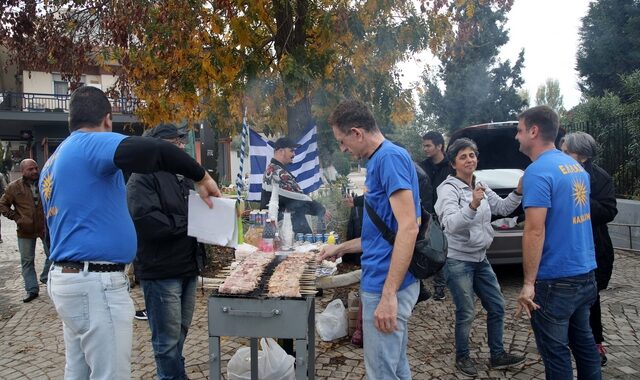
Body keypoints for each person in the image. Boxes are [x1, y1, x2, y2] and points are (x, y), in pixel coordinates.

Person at [39, 86, 221, 379]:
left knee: (78, 372)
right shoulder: (90, 144)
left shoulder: (53, 160)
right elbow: (157, 150)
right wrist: (201, 176)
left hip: (67, 279)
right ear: (108, 121)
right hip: (94, 283)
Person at [320, 100, 420, 379]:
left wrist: (388, 296)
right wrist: (339, 248)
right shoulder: (383, 158)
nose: (342, 148)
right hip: (387, 283)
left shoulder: (388, 158)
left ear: (357, 133)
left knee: (382, 374)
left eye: (342, 141)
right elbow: (381, 236)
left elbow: (408, 228)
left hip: (387, 287)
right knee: (396, 368)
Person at [515, 105, 601, 379]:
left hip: (556, 279)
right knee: (585, 346)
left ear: (534, 131)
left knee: (556, 353)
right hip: (585, 272)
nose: (516, 137)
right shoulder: (574, 166)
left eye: (519, 130)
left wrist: (529, 283)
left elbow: (534, 230)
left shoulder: (538, 172)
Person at [434, 138, 525, 377]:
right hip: (457, 260)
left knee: (497, 306)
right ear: (453, 163)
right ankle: (462, 357)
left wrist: (518, 191)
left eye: (472, 155)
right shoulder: (447, 189)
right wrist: (473, 204)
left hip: (480, 258)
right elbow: (451, 225)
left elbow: (503, 208)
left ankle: (497, 355)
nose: (469, 160)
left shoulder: (480, 183)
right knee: (466, 312)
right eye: (463, 156)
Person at [127, 123, 204, 380]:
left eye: (181, 142)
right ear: (157, 148)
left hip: (186, 267)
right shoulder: (142, 176)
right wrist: (192, 222)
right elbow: (148, 223)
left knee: (179, 332)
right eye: (175, 143)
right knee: (166, 342)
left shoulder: (180, 176)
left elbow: (192, 214)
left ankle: (175, 375)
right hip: (161, 272)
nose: (181, 147)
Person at [560, 131, 617, 367]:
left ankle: (595, 343)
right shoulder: (559, 175)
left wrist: (580, 195)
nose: (560, 156)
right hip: (565, 248)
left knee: (591, 301)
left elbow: (608, 211)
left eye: (565, 152)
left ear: (581, 155)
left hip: (594, 247)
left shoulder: (600, 177)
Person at [0, 159, 51, 302]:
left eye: (36, 168)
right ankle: (32, 289)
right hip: (25, 229)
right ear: (23, 171)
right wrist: (17, 218)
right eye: (30, 169)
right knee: (27, 261)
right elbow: (3, 205)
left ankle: (45, 277)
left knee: (52, 255)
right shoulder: (13, 187)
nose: (35, 171)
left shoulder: (45, 182)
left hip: (44, 227)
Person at [260, 137, 326, 233]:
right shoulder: (278, 173)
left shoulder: (271, 169)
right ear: (281, 151)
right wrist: (320, 209)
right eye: (291, 151)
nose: (294, 154)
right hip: (286, 228)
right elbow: (300, 199)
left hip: (278, 226)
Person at [420, 131, 451, 301]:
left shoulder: (451, 167)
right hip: (425, 213)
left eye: (428, 145)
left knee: (440, 249)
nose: (425, 148)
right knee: (422, 248)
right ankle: (420, 285)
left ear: (439, 146)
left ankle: (440, 287)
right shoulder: (422, 166)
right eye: (424, 145)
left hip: (445, 214)